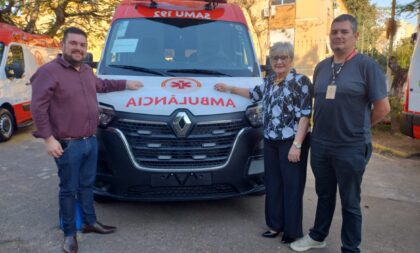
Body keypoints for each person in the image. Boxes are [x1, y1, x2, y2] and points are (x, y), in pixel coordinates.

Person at [30, 27, 143, 253]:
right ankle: (70, 235)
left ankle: (90, 223)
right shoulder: (48, 72)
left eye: (82, 45)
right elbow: (38, 107)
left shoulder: (85, 71)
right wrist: (48, 139)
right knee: (68, 189)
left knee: (87, 185)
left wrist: (125, 84)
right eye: (73, 43)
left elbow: (101, 85)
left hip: (90, 141)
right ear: (63, 46)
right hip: (67, 144)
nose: (78, 48)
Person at [290, 14, 390, 253]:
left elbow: (383, 108)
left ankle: (351, 248)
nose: (338, 36)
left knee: (350, 201)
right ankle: (318, 236)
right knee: (324, 194)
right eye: (335, 32)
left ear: (355, 36)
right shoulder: (322, 67)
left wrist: (360, 128)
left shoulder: (367, 66)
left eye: (344, 32)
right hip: (322, 144)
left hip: (351, 146)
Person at [214, 42, 312, 244]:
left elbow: (304, 116)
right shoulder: (269, 81)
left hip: (291, 141)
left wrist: (298, 144)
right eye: (275, 58)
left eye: (283, 58)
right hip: (270, 140)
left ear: (290, 59)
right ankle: (275, 225)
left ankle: (292, 231)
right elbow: (253, 94)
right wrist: (229, 88)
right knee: (273, 184)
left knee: (291, 186)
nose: (279, 62)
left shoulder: (300, 81)